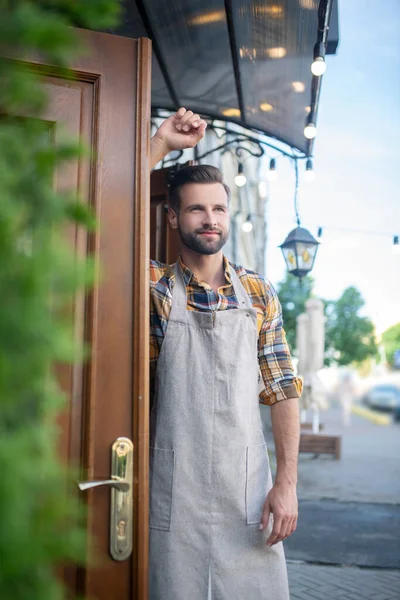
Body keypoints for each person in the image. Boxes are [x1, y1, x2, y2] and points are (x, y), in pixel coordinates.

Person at [148, 108, 303, 600]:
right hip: (173, 493)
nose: (210, 220)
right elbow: (109, 210)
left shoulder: (258, 292)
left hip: (247, 496)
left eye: (218, 209)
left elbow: (282, 390)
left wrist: (286, 483)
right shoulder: (154, 287)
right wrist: (159, 145)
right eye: (195, 209)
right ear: (173, 217)